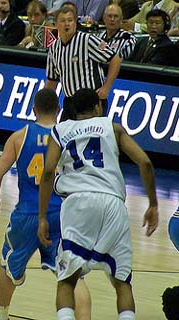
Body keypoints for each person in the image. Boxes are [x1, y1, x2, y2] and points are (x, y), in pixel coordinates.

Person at [37, 88, 159, 320]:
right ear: (97, 107)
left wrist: (43, 216)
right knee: (122, 282)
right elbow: (145, 162)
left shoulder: (60, 130)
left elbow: (48, 172)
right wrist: (153, 204)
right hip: (113, 202)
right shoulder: (112, 128)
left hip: (77, 202)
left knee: (67, 280)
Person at [0, 89, 91, 320]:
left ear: (33, 109)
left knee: (7, 263)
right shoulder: (68, 137)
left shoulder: (19, 136)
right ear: (59, 110)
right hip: (60, 214)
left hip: (27, 213)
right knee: (72, 274)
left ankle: (1, 316)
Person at [45, 5, 122, 121]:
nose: (67, 24)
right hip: (70, 102)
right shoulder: (54, 48)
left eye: (70, 20)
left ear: (75, 23)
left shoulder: (87, 40)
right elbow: (52, 81)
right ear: (55, 25)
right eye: (63, 21)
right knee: (62, 136)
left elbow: (115, 58)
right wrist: (44, 102)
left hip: (90, 103)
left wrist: (106, 87)